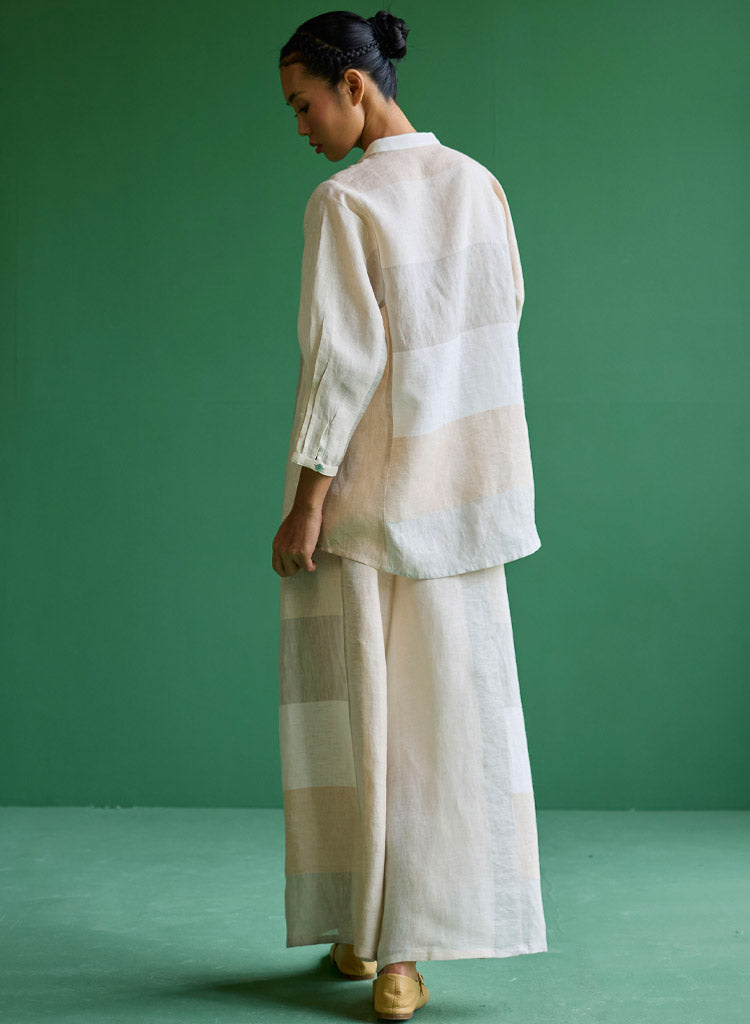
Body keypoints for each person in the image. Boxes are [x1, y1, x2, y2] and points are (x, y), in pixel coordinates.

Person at [273, 9, 547, 1021]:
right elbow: (503, 314)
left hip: (373, 503)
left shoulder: (345, 202)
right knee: (450, 724)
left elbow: (341, 362)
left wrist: (306, 503)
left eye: (305, 104)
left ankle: (385, 946)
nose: (301, 127)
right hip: (469, 496)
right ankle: (391, 941)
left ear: (354, 85)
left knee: (368, 721)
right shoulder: (479, 183)